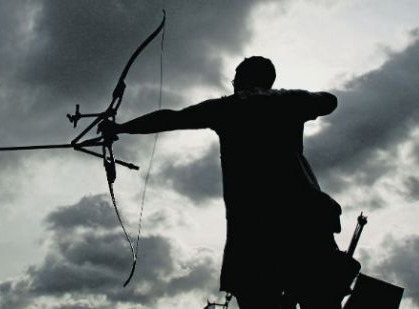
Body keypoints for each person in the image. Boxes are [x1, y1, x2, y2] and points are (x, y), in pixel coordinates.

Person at [101, 56, 350, 309]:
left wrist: (120, 128)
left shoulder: (230, 107)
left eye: (236, 79)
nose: (233, 84)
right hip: (299, 221)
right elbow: (328, 101)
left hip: (260, 228)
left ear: (239, 81)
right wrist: (281, 97)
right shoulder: (288, 102)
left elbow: (172, 118)